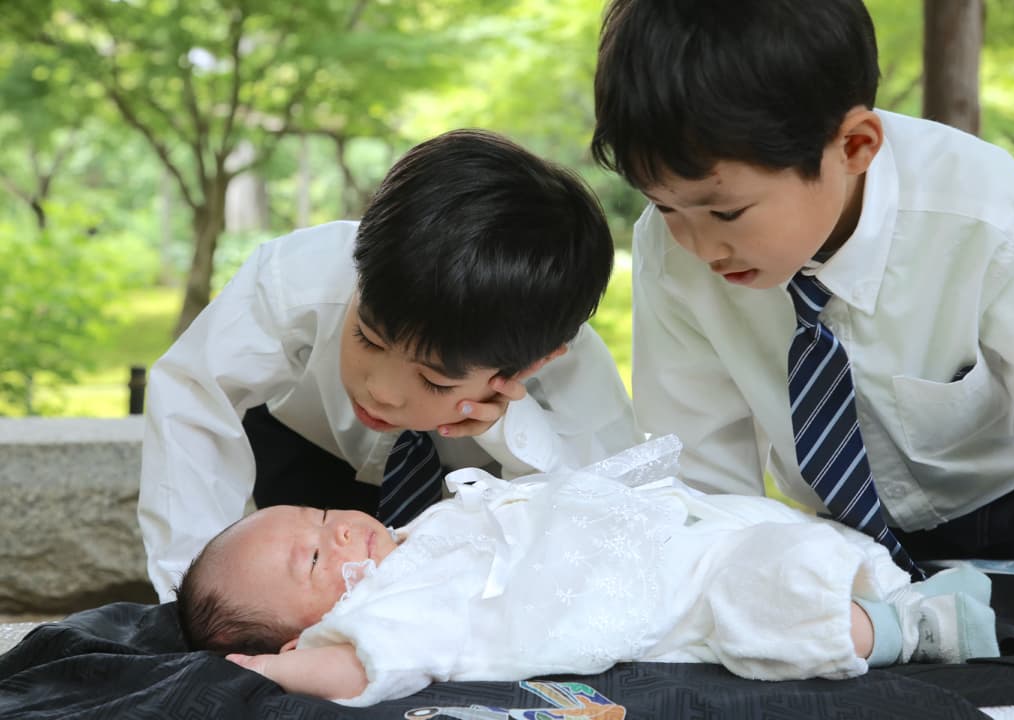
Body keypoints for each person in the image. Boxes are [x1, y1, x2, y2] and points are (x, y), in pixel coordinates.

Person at [589, 0, 1014, 656]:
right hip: (837, 545)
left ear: (854, 146)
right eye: (664, 205)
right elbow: (698, 464)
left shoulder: (990, 217)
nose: (699, 245)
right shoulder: (669, 252)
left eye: (726, 211)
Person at [138, 129, 640, 602]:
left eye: (433, 378)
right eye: (367, 337)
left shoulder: (565, 369)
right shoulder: (301, 276)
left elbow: (608, 514)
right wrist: (189, 598)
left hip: (467, 493)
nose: (381, 391)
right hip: (306, 450)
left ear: (534, 362)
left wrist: (518, 435)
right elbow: (195, 396)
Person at [175, 438, 999, 706]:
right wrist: (287, 671)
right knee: (761, 598)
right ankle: (911, 628)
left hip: (664, 538)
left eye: (318, 517)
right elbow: (369, 660)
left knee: (762, 531)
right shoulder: (395, 603)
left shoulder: (418, 532)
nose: (339, 527)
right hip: (668, 599)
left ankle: (895, 586)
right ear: (308, 626)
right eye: (315, 558)